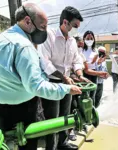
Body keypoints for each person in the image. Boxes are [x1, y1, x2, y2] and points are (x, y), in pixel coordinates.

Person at [0, 3, 81, 150]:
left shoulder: (1, 39)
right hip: (22, 107)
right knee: (29, 140)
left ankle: (60, 143)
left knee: (10, 141)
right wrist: (66, 89)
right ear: (28, 21)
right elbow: (36, 85)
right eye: (42, 26)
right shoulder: (24, 46)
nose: (44, 31)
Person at [38, 6, 89, 150]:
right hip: (52, 82)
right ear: (65, 22)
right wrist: (63, 77)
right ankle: (51, 147)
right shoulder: (49, 36)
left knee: (65, 114)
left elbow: (76, 60)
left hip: (68, 83)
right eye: (75, 26)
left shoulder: (72, 40)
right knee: (52, 118)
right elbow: (45, 62)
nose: (76, 29)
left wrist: (79, 74)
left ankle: (62, 143)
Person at [82, 30, 108, 103]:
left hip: (94, 75)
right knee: (86, 96)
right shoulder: (81, 50)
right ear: (84, 39)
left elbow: (96, 64)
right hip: (85, 74)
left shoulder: (95, 50)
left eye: (91, 38)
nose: (89, 40)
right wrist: (99, 73)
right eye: (87, 38)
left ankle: (92, 111)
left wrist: (99, 62)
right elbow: (85, 67)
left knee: (93, 95)